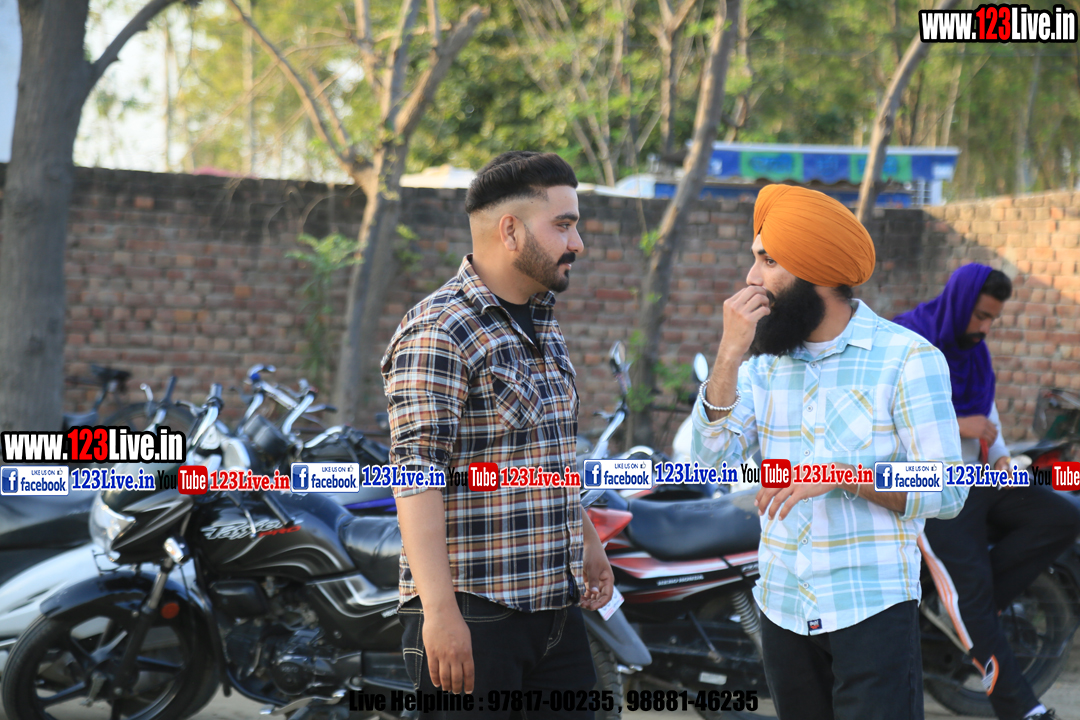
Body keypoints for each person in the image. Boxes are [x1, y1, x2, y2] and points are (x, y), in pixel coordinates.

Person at [691, 183, 968, 720]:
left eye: (768, 261)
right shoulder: (762, 366)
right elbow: (709, 462)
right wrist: (728, 354)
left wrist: (845, 474)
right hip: (783, 609)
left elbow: (949, 490)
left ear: (813, 270)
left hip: (871, 612)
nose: (751, 277)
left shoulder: (907, 358)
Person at [380, 151, 613, 720]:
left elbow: (546, 454)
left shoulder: (541, 319)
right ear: (510, 230)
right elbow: (415, 477)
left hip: (553, 606)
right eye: (564, 225)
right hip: (475, 613)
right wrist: (439, 614)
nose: (578, 243)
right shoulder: (440, 329)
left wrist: (587, 540)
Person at [893, 264, 1080, 720]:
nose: (985, 328)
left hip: (977, 480)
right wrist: (960, 425)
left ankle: (961, 605)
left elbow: (987, 413)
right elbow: (886, 419)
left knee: (1062, 515)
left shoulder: (973, 354)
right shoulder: (904, 341)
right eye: (980, 316)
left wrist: (999, 457)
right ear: (960, 303)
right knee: (972, 596)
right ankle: (1024, 710)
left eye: (993, 319)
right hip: (928, 489)